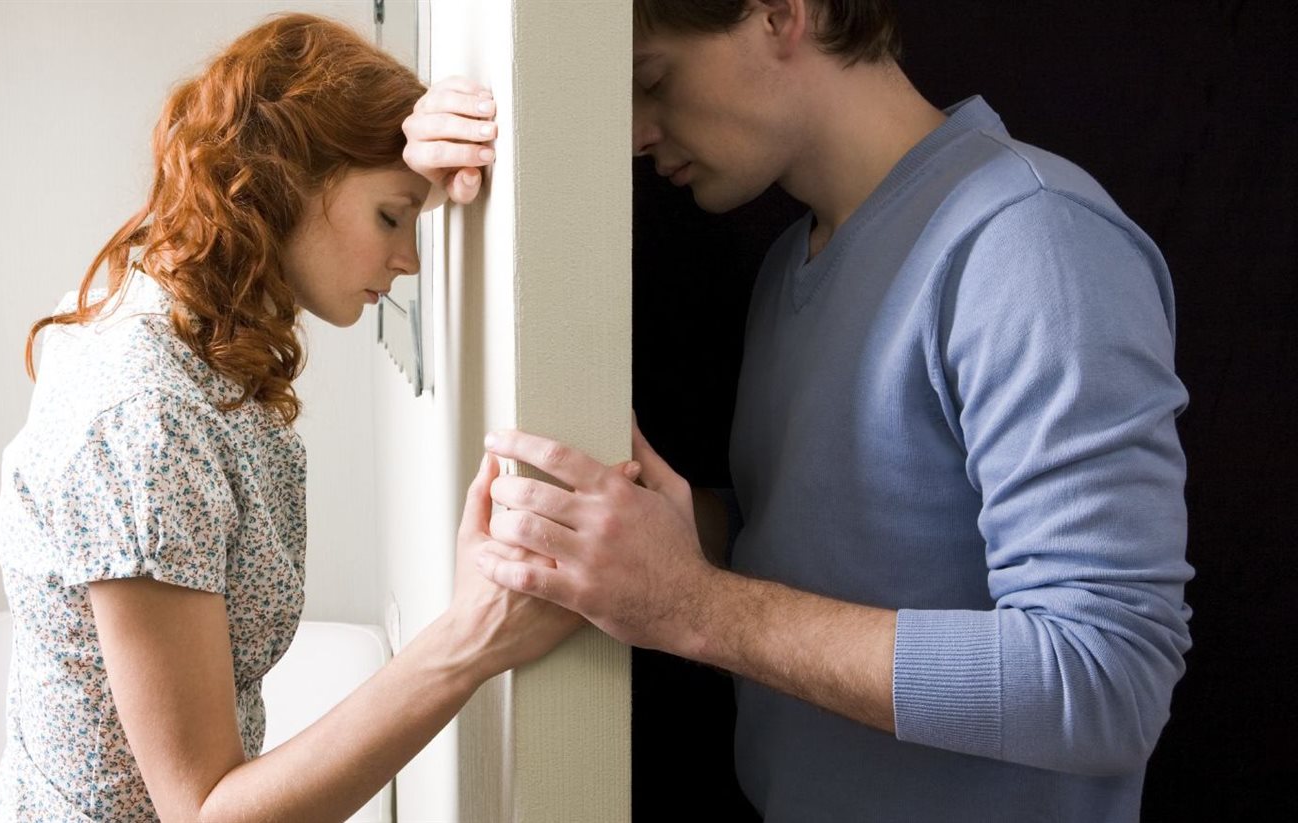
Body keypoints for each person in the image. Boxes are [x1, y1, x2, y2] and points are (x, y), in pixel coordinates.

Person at [403, 0, 1194, 820]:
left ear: (782, 14)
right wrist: (659, 534)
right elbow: (838, 547)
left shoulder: (1031, 239)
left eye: (653, 79)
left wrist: (690, 605)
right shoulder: (795, 263)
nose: (634, 132)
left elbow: (1104, 679)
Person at [0, 14, 590, 822]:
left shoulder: (169, 330)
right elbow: (205, 811)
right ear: (284, 181)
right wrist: (470, 639)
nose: (410, 259)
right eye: (391, 217)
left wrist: (422, 128)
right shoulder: (147, 418)